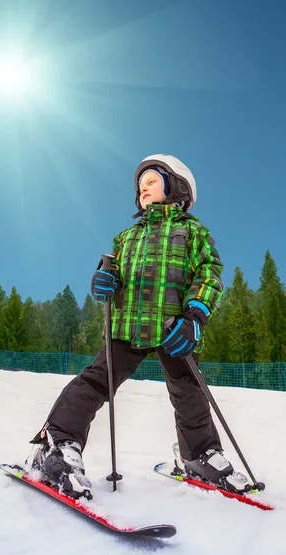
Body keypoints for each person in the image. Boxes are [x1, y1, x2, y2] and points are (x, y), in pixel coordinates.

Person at [29, 154, 250, 499]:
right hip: (128, 326)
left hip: (173, 326)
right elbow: (114, 277)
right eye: (140, 185)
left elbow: (209, 274)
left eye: (151, 182)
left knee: (189, 390)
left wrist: (195, 317)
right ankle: (58, 444)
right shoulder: (127, 237)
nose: (142, 189)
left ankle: (200, 455)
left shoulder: (192, 231)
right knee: (96, 379)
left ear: (175, 187)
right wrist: (105, 280)